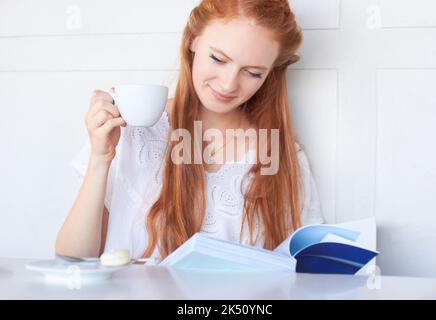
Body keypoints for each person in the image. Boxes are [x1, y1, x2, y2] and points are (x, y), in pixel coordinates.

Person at [55, 0, 324, 264]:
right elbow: (73, 260)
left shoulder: (283, 157)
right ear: (192, 40)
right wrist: (100, 159)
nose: (228, 84)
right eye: (218, 58)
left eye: (253, 73)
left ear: (271, 73)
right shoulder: (130, 130)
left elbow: (301, 275)